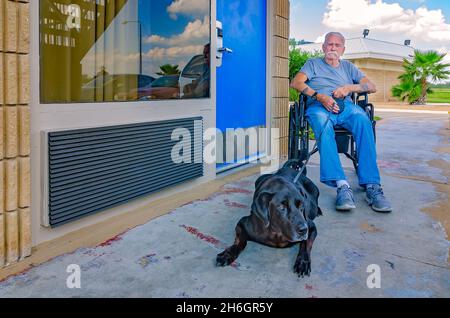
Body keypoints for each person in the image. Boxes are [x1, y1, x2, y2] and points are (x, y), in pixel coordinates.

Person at [290, 32, 392, 213]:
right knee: (323, 125)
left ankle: (372, 186)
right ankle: (342, 185)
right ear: (323, 47)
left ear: (343, 49)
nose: (333, 48)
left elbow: (371, 86)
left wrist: (348, 88)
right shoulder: (312, 64)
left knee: (363, 120)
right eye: (329, 44)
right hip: (319, 105)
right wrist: (319, 96)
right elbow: (296, 82)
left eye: (337, 45)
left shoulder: (348, 67)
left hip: (346, 106)